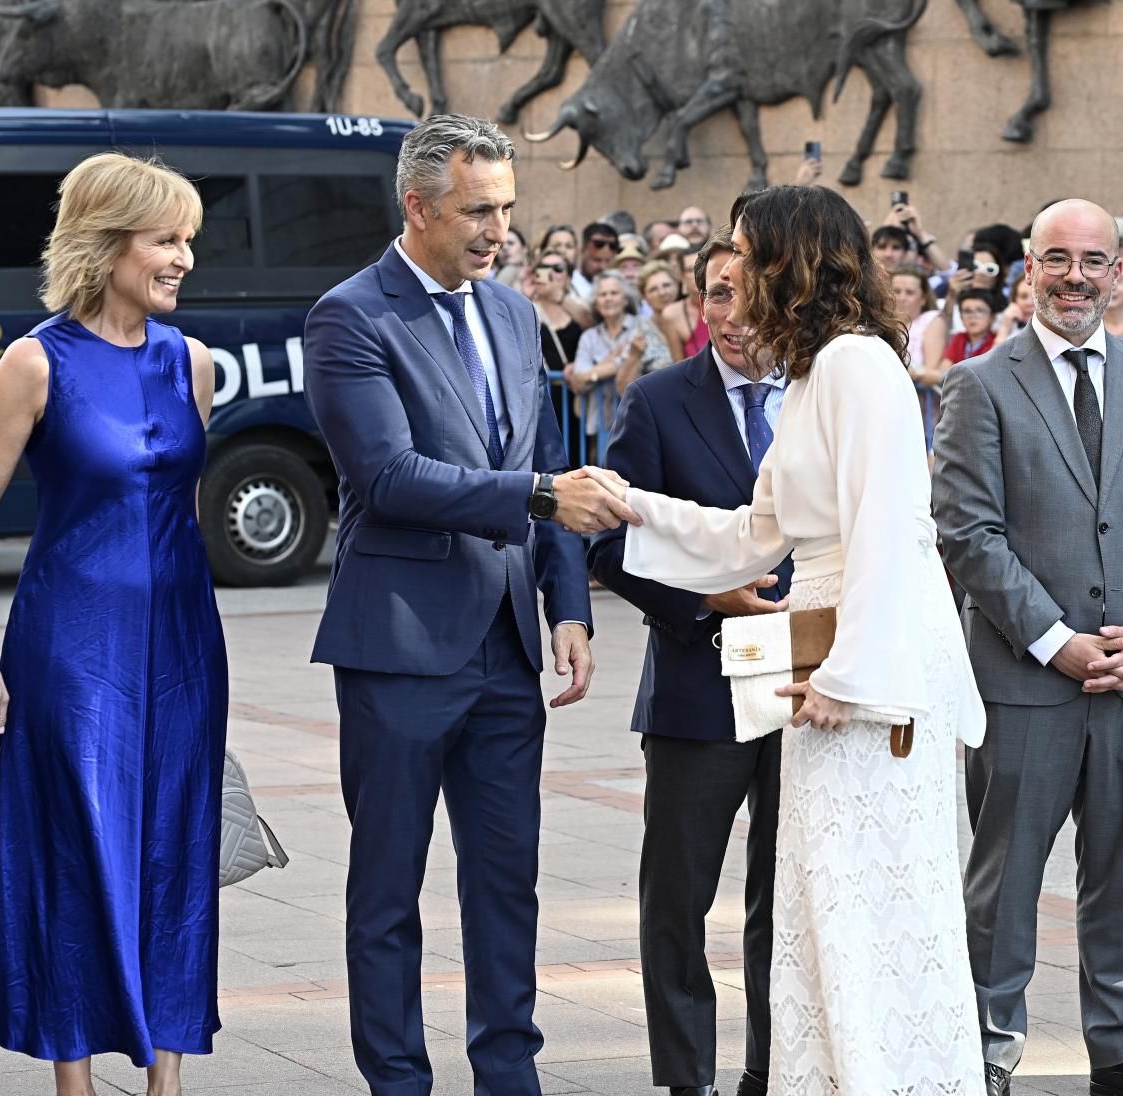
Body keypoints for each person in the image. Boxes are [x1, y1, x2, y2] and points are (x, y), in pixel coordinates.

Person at [584, 184, 986, 1095]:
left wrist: (848, 679)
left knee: (870, 905)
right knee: (818, 902)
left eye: (743, 254)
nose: (730, 274)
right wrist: (627, 501)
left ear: (790, 263)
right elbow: (750, 536)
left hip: (870, 670)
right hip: (831, 658)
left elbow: (888, 529)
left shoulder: (858, 366)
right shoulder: (812, 378)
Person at [301, 115, 631, 1096]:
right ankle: (398, 1081)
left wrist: (566, 601)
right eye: (477, 210)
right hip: (397, 645)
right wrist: (537, 500)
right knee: (387, 893)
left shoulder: (514, 316)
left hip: (503, 652)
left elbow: (549, 466)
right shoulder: (349, 316)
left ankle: (508, 1077)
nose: (498, 231)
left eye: (507, 210)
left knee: (505, 886)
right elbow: (391, 476)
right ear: (418, 205)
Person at [0, 152, 226, 1096]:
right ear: (108, 246)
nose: (185, 256)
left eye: (189, 239)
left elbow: (177, 512)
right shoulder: (34, 361)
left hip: (184, 646)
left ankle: (167, 1079)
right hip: (70, 647)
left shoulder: (193, 362)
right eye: (166, 239)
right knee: (80, 848)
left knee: (175, 849)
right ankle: (77, 1083)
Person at [934, 198, 1123, 1096]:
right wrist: (1055, 641)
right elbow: (967, 532)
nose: (1075, 277)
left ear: (1120, 275)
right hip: (1024, 679)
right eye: (1056, 259)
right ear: (1028, 273)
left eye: (1094, 261)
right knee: (1005, 878)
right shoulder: (979, 383)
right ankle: (987, 1052)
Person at [585, 230, 792, 1096]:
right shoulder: (659, 401)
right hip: (698, 685)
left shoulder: (825, 396)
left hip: (806, 685)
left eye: (751, 292)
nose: (733, 314)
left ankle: (771, 1070)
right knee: (678, 899)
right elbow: (606, 542)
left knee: (784, 902)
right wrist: (703, 600)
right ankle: (687, 1079)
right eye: (716, 293)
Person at [570, 272, 672, 447]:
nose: (608, 298)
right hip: (600, 424)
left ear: (626, 299)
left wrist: (593, 373)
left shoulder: (642, 325)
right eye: (603, 294)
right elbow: (578, 382)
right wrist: (611, 365)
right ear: (596, 302)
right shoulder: (589, 337)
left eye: (614, 293)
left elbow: (644, 361)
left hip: (639, 419)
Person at [529, 253, 589, 463]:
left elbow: (591, 322)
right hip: (544, 398)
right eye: (544, 268)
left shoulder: (579, 304)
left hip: (578, 394)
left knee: (580, 455)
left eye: (558, 268)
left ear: (570, 276)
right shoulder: (527, 306)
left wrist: (560, 297)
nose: (551, 274)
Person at [891, 262, 941, 371]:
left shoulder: (931, 319)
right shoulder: (881, 322)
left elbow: (931, 371)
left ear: (923, 298)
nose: (902, 298)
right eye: (896, 291)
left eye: (909, 293)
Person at [573, 220, 619, 298]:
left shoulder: (620, 289)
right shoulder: (569, 287)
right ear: (582, 251)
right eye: (597, 260)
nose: (603, 267)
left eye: (608, 261)